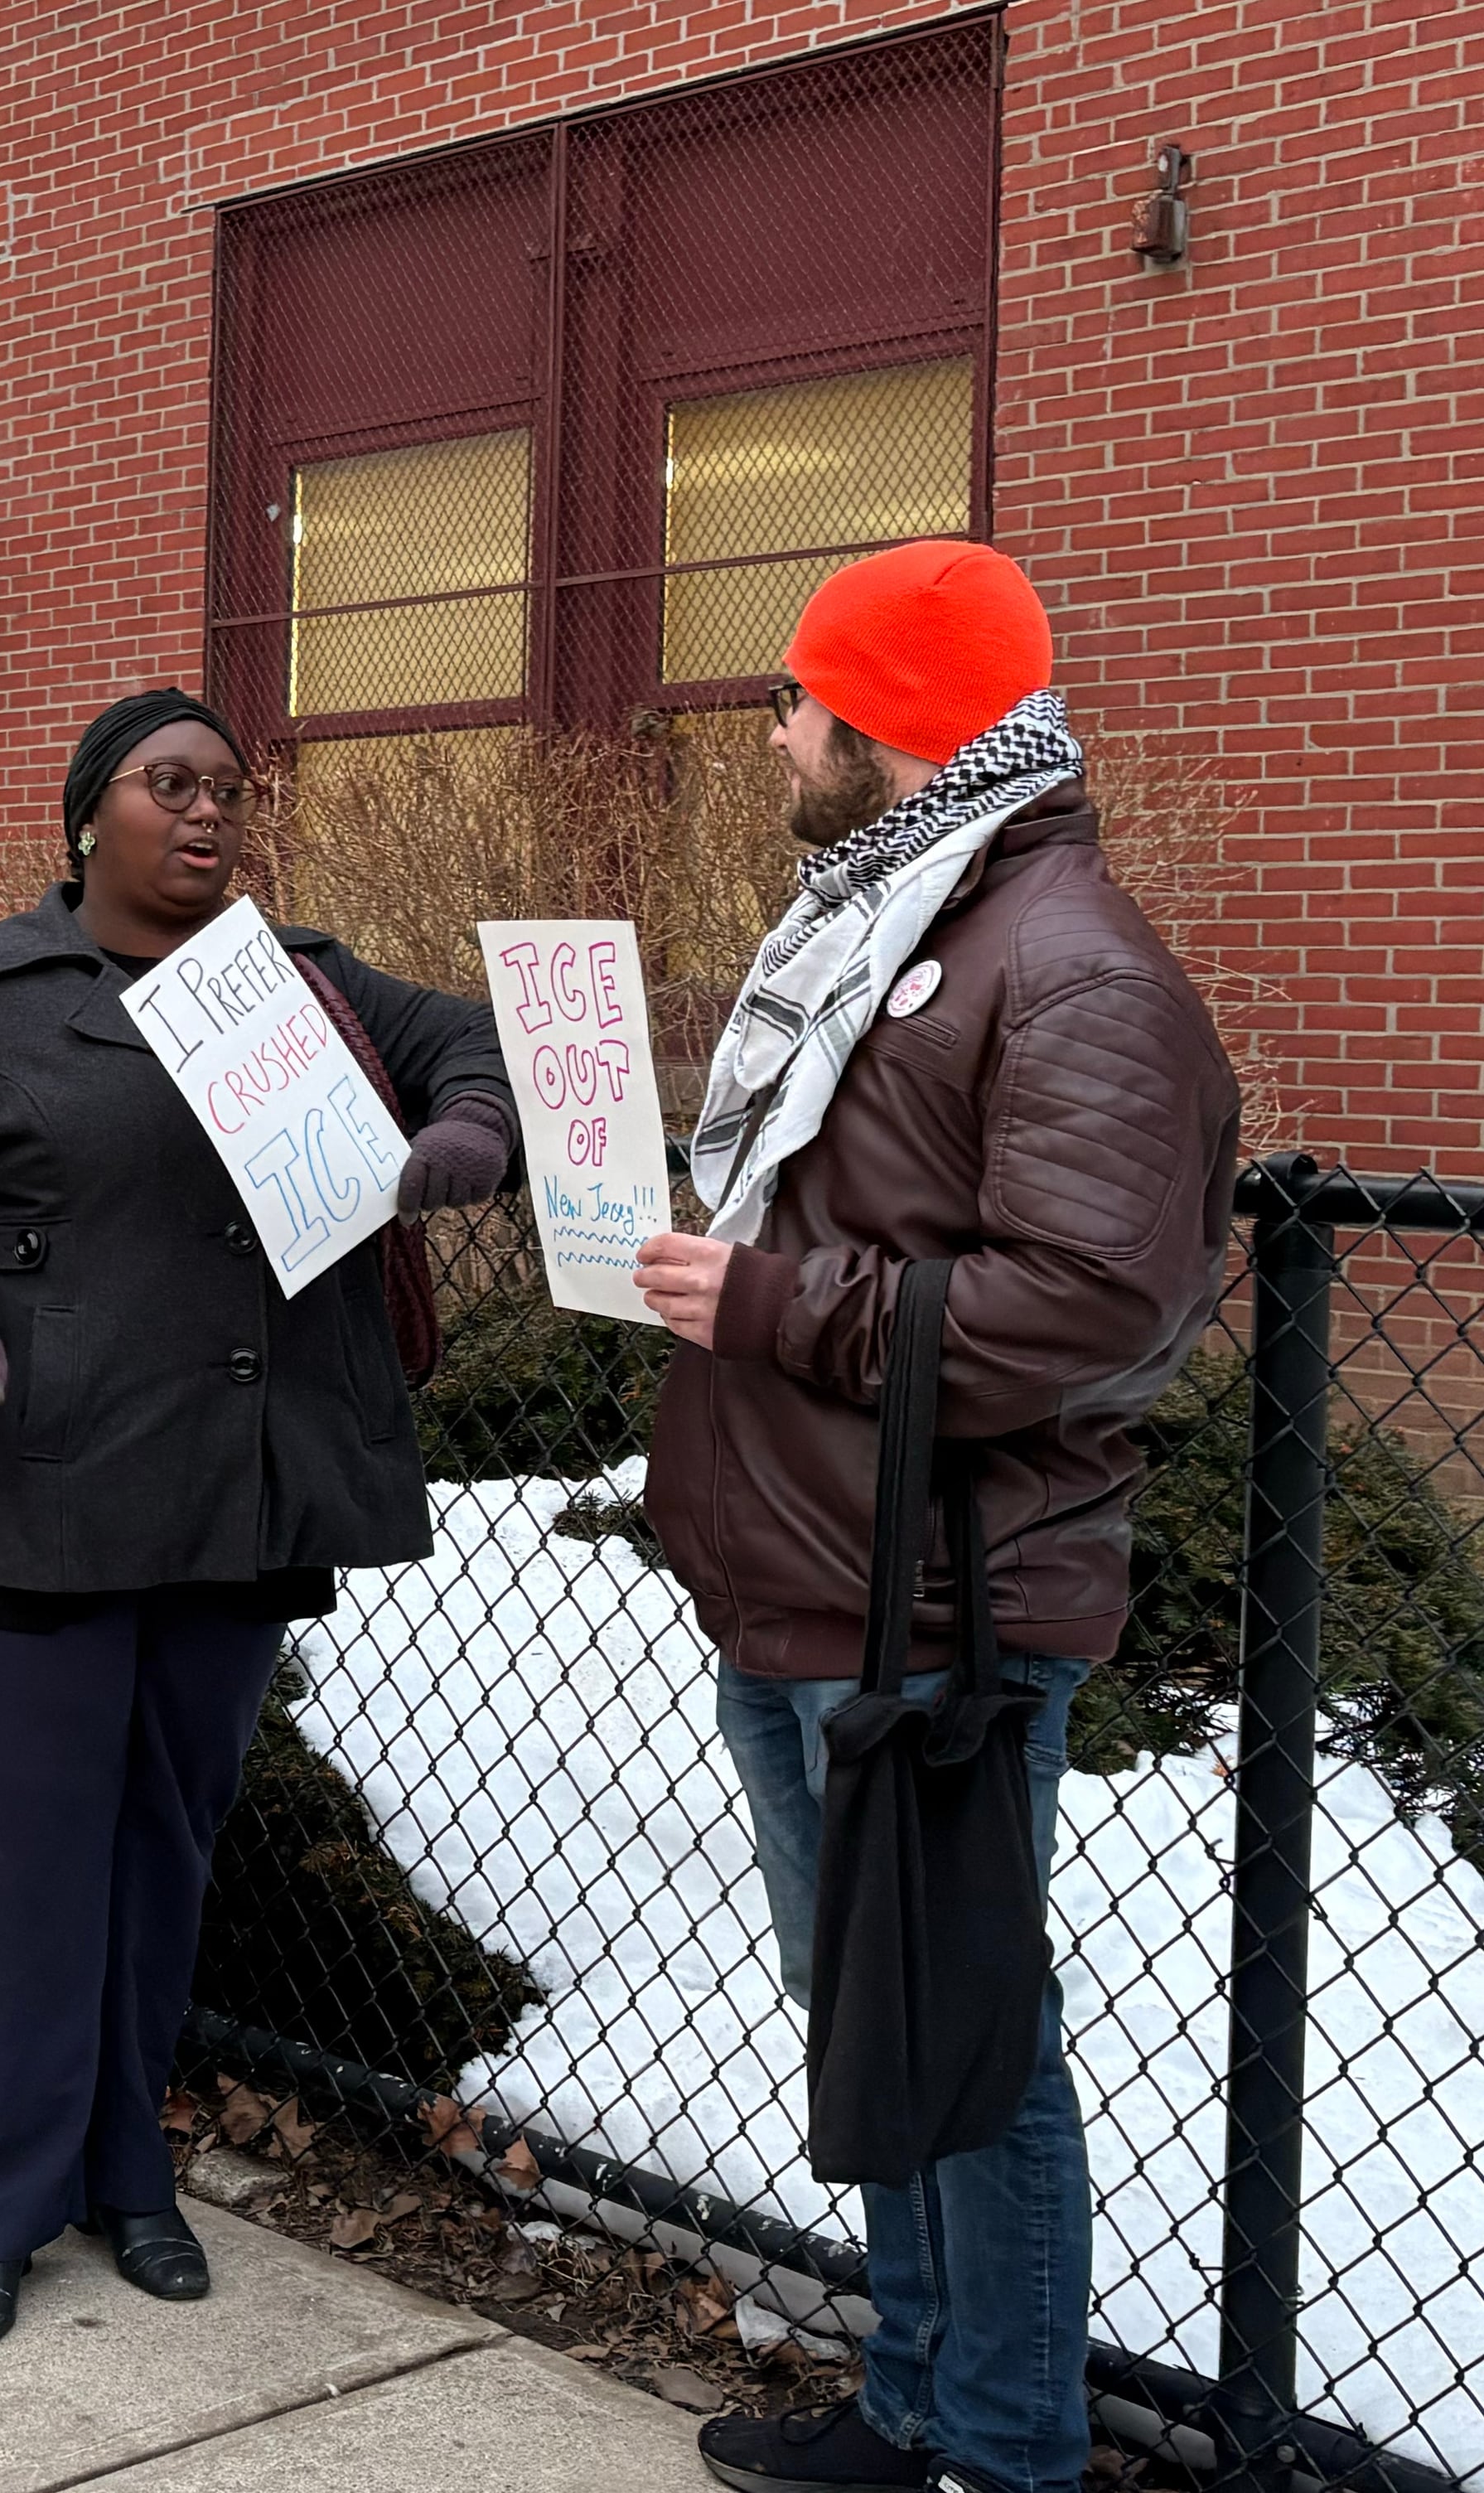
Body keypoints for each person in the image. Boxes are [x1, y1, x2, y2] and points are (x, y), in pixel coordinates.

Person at [631, 544, 1237, 2493]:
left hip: (938, 1603)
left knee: (966, 2052)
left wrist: (766, 1300)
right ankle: (907, 2403)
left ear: (892, 720)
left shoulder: (1064, 961)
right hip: (805, 1580)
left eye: (804, 696)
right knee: (878, 2028)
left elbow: (1090, 1302)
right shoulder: (898, 920)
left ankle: (999, 2444)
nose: (778, 727)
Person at [0, 688, 514, 2351]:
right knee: (15, 1876)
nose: (207, 813)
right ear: (89, 818)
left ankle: (128, 2169)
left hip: (228, 1502)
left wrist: (467, 1130)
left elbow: (468, 1043)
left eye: (227, 787)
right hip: (26, 1506)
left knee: (159, 1858)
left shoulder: (303, 985)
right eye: (168, 784)